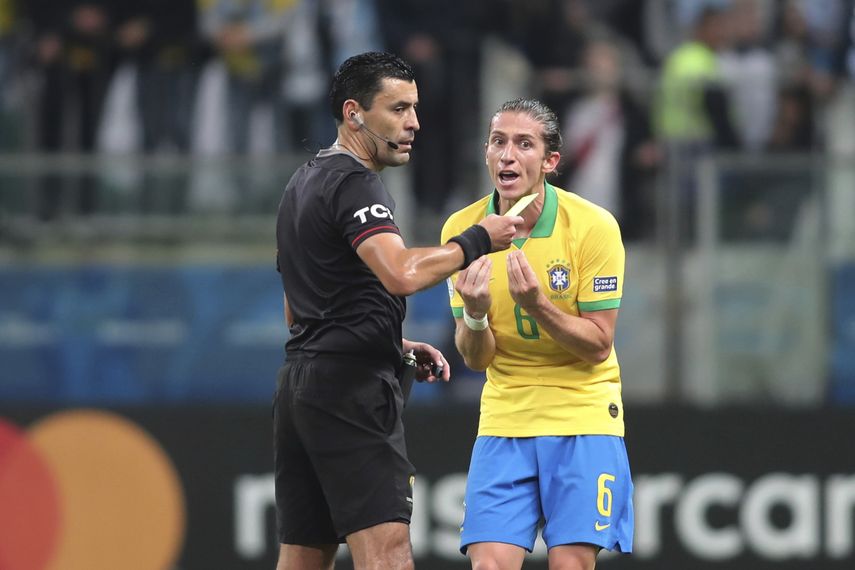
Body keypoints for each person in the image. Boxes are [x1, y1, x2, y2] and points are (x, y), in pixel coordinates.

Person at [273, 51, 523, 570]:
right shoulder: (354, 181)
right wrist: (478, 239)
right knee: (387, 552)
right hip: (350, 394)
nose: (414, 123)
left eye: (414, 108)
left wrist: (390, 339)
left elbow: (298, 310)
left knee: (304, 555)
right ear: (354, 113)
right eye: (399, 109)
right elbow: (401, 273)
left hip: (301, 387)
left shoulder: (302, 182)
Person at [440, 98, 634, 570]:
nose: (508, 155)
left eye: (524, 144)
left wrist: (538, 306)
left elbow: (597, 345)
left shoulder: (592, 227)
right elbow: (475, 358)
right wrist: (477, 314)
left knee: (570, 564)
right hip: (506, 415)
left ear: (550, 162)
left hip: (582, 411)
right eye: (498, 142)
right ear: (486, 153)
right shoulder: (463, 230)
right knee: (489, 565)